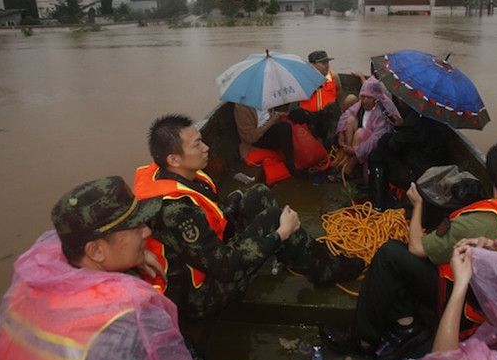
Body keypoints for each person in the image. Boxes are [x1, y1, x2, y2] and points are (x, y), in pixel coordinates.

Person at [320, 140, 497, 360]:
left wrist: (418, 206)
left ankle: (362, 340)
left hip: (469, 305)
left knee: (390, 253)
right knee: (400, 264)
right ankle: (407, 326)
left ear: (488, 173)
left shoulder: (476, 223)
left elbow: (417, 248)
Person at [133, 113, 364, 322]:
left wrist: (232, 210)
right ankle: (325, 270)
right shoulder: (176, 212)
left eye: (202, 140)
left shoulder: (172, 173)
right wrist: (279, 235)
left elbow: (212, 220)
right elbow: (226, 267)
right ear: (174, 159)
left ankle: (305, 254)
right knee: (275, 219)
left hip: (209, 255)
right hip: (199, 296)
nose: (206, 148)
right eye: (197, 145)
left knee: (258, 194)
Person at [0, 176, 194, 360]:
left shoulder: (34, 277)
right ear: (96, 250)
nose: (147, 232)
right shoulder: (130, 323)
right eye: (136, 228)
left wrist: (137, 256)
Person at [367, 99, 448, 210]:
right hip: (433, 165)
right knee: (383, 146)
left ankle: (378, 205)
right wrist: (401, 125)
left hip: (418, 173)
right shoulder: (436, 116)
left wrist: (387, 138)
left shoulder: (415, 118)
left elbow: (394, 145)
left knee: (376, 156)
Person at [335, 76, 401, 179]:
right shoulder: (362, 104)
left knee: (360, 133)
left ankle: (348, 169)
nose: (365, 101)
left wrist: (355, 150)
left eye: (369, 97)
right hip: (362, 143)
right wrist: (340, 133)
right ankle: (347, 158)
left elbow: (375, 140)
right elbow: (347, 114)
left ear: (376, 97)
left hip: (376, 147)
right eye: (363, 97)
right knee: (350, 120)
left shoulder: (383, 109)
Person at [233, 102, 297, 175]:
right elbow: (250, 138)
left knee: (297, 113)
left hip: (270, 128)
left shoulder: (264, 98)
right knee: (285, 128)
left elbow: (272, 116)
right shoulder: (243, 108)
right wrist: (271, 122)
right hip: (258, 139)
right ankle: (290, 165)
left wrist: (277, 117)